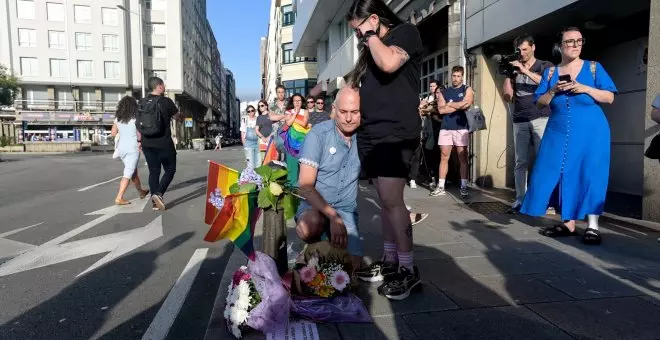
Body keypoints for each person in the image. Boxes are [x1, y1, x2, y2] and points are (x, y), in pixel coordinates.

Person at [346, 0, 423, 300]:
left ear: (374, 19)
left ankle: (408, 269)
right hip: (372, 132)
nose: (357, 38)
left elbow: (390, 63)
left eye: (358, 30)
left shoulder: (406, 33)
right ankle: (391, 261)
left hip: (396, 131)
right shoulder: (371, 47)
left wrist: (370, 36)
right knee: (385, 202)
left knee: (393, 201)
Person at [521, 27, 617, 245]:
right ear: (560, 46)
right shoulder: (550, 73)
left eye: (579, 41)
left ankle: (592, 226)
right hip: (558, 129)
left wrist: (585, 88)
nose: (575, 45)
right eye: (570, 41)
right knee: (557, 171)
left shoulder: (594, 68)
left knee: (590, 173)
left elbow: (609, 97)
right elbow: (540, 102)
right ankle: (568, 223)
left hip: (592, 130)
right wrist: (553, 89)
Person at [296, 87, 363, 271]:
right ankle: (313, 245)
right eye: (343, 112)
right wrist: (332, 216)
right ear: (334, 109)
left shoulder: (365, 136)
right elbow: (305, 186)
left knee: (351, 270)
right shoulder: (318, 134)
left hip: (346, 209)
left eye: (354, 112)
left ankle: (326, 248)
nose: (348, 118)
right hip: (315, 206)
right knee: (308, 225)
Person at [502, 35, 553, 214]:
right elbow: (508, 94)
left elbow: (548, 83)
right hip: (520, 118)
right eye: (519, 50)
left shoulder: (545, 65)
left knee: (542, 160)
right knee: (520, 161)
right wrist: (507, 80)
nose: (521, 53)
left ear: (533, 47)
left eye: (525, 49)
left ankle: (543, 200)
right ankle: (520, 199)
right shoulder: (514, 68)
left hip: (541, 117)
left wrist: (525, 71)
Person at [431, 66, 474, 199]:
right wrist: (458, 105)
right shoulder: (445, 92)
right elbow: (441, 110)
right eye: (453, 76)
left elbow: (467, 104)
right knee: (444, 157)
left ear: (462, 76)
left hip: (461, 128)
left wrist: (450, 104)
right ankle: (441, 187)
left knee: (462, 158)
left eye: (458, 76)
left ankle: (464, 186)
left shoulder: (467, 89)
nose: (455, 78)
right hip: (446, 127)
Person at [138, 76, 180, 211]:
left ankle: (155, 204)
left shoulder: (142, 102)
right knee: (170, 169)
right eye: (163, 85)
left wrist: (140, 140)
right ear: (159, 86)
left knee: (153, 172)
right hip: (163, 142)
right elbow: (176, 116)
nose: (165, 87)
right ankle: (158, 193)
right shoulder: (166, 101)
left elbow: (138, 123)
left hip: (147, 143)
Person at [111, 96, 149, 205]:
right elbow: (142, 131)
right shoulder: (136, 118)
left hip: (122, 148)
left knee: (133, 172)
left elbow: (113, 133)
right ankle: (119, 197)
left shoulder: (118, 119)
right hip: (133, 148)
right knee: (128, 173)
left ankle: (141, 192)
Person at [280, 94, 310, 186]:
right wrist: (295, 114)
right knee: (292, 170)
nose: (297, 102)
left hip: (304, 143)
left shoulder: (305, 111)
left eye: (299, 100)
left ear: (302, 102)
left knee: (304, 170)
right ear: (292, 102)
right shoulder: (288, 111)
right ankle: (291, 193)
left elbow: (304, 123)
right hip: (291, 144)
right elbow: (288, 123)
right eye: (295, 101)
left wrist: (292, 118)